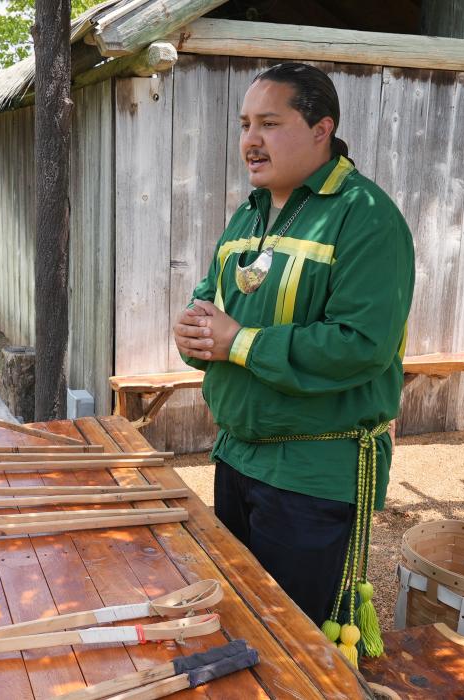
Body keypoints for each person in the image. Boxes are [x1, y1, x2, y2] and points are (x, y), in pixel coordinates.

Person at [173, 63, 415, 632]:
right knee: (240, 620)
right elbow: (210, 306)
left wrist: (238, 342)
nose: (250, 140)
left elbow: (361, 344)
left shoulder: (365, 216)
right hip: (236, 455)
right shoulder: (249, 213)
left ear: (320, 129)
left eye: (269, 123)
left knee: (292, 639)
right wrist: (194, 335)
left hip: (311, 473)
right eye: (245, 125)